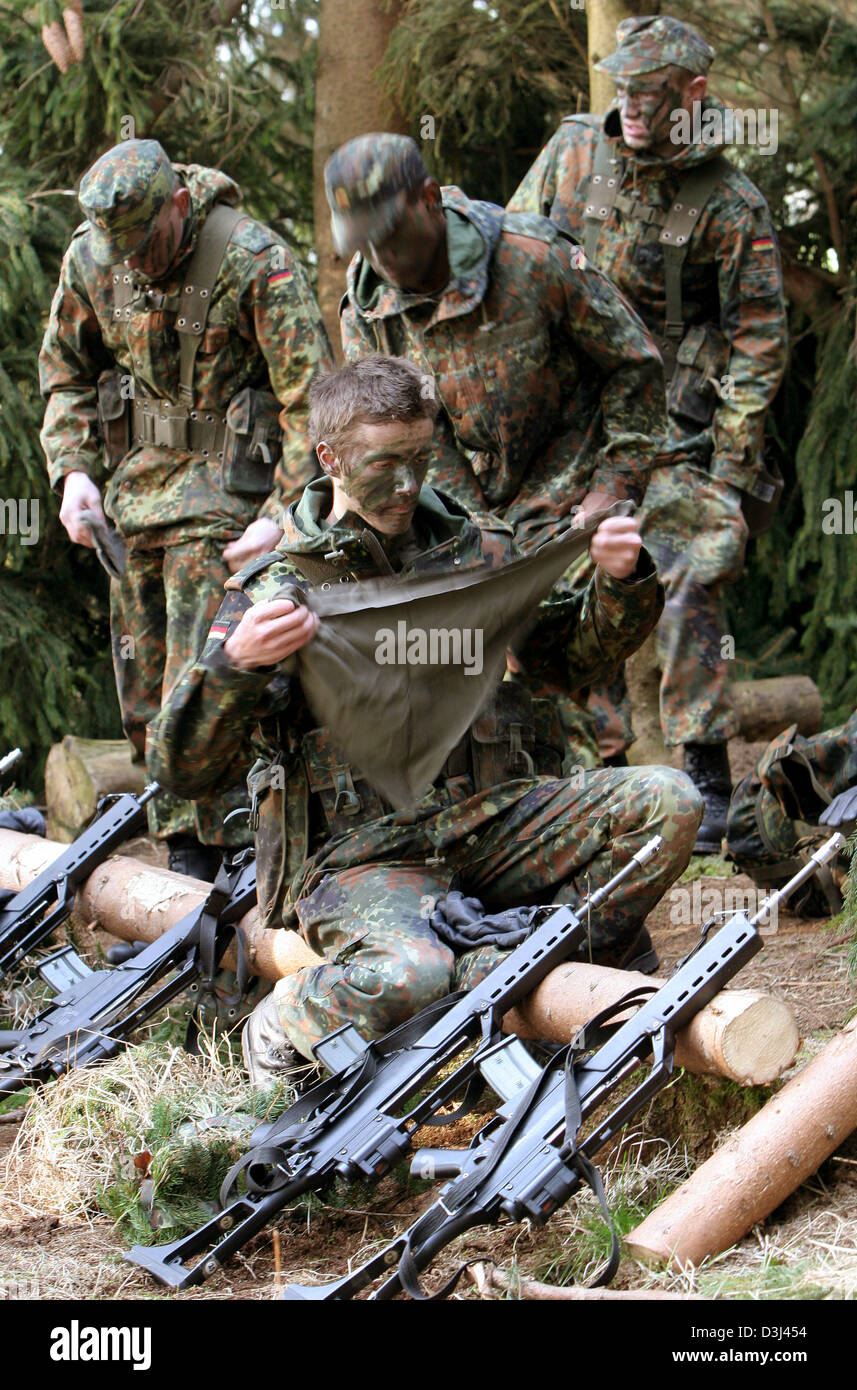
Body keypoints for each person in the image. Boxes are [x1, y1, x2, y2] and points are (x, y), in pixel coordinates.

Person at [145, 355, 703, 1080]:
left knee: (668, 802)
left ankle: (524, 983)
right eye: (385, 464)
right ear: (330, 457)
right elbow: (179, 767)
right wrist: (235, 666)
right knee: (409, 977)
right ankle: (283, 1023)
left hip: (491, 819)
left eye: (420, 458)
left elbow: (568, 659)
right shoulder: (277, 589)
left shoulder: (474, 543)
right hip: (363, 857)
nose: (408, 485)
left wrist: (620, 583)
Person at [508, 16, 788, 850]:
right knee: (545, 559)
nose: (627, 105)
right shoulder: (572, 154)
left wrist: (730, 469)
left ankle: (703, 771)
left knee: (693, 551)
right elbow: (514, 251)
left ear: (692, 94)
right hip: (572, 420)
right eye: (620, 87)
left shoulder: (728, 202)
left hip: (671, 428)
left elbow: (758, 336)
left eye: (648, 92)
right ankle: (600, 774)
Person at [324, 131, 668, 764]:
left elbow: (635, 367)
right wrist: (467, 533)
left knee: (558, 617)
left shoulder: (532, 258)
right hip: (466, 480)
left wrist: (615, 484)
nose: (381, 255)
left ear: (430, 199)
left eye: (392, 234)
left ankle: (607, 787)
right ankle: (518, 793)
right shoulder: (370, 306)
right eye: (365, 240)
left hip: (572, 459)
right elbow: (403, 429)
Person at [39, 138, 333, 879]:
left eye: (147, 243)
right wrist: (73, 472)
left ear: (178, 205)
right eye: (120, 251)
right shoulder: (97, 257)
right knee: (143, 683)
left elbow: (312, 399)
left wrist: (284, 511)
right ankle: (177, 836)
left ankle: (232, 848)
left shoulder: (251, 258)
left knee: (209, 670)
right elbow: (67, 374)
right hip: (139, 494)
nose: (133, 262)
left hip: (232, 498)